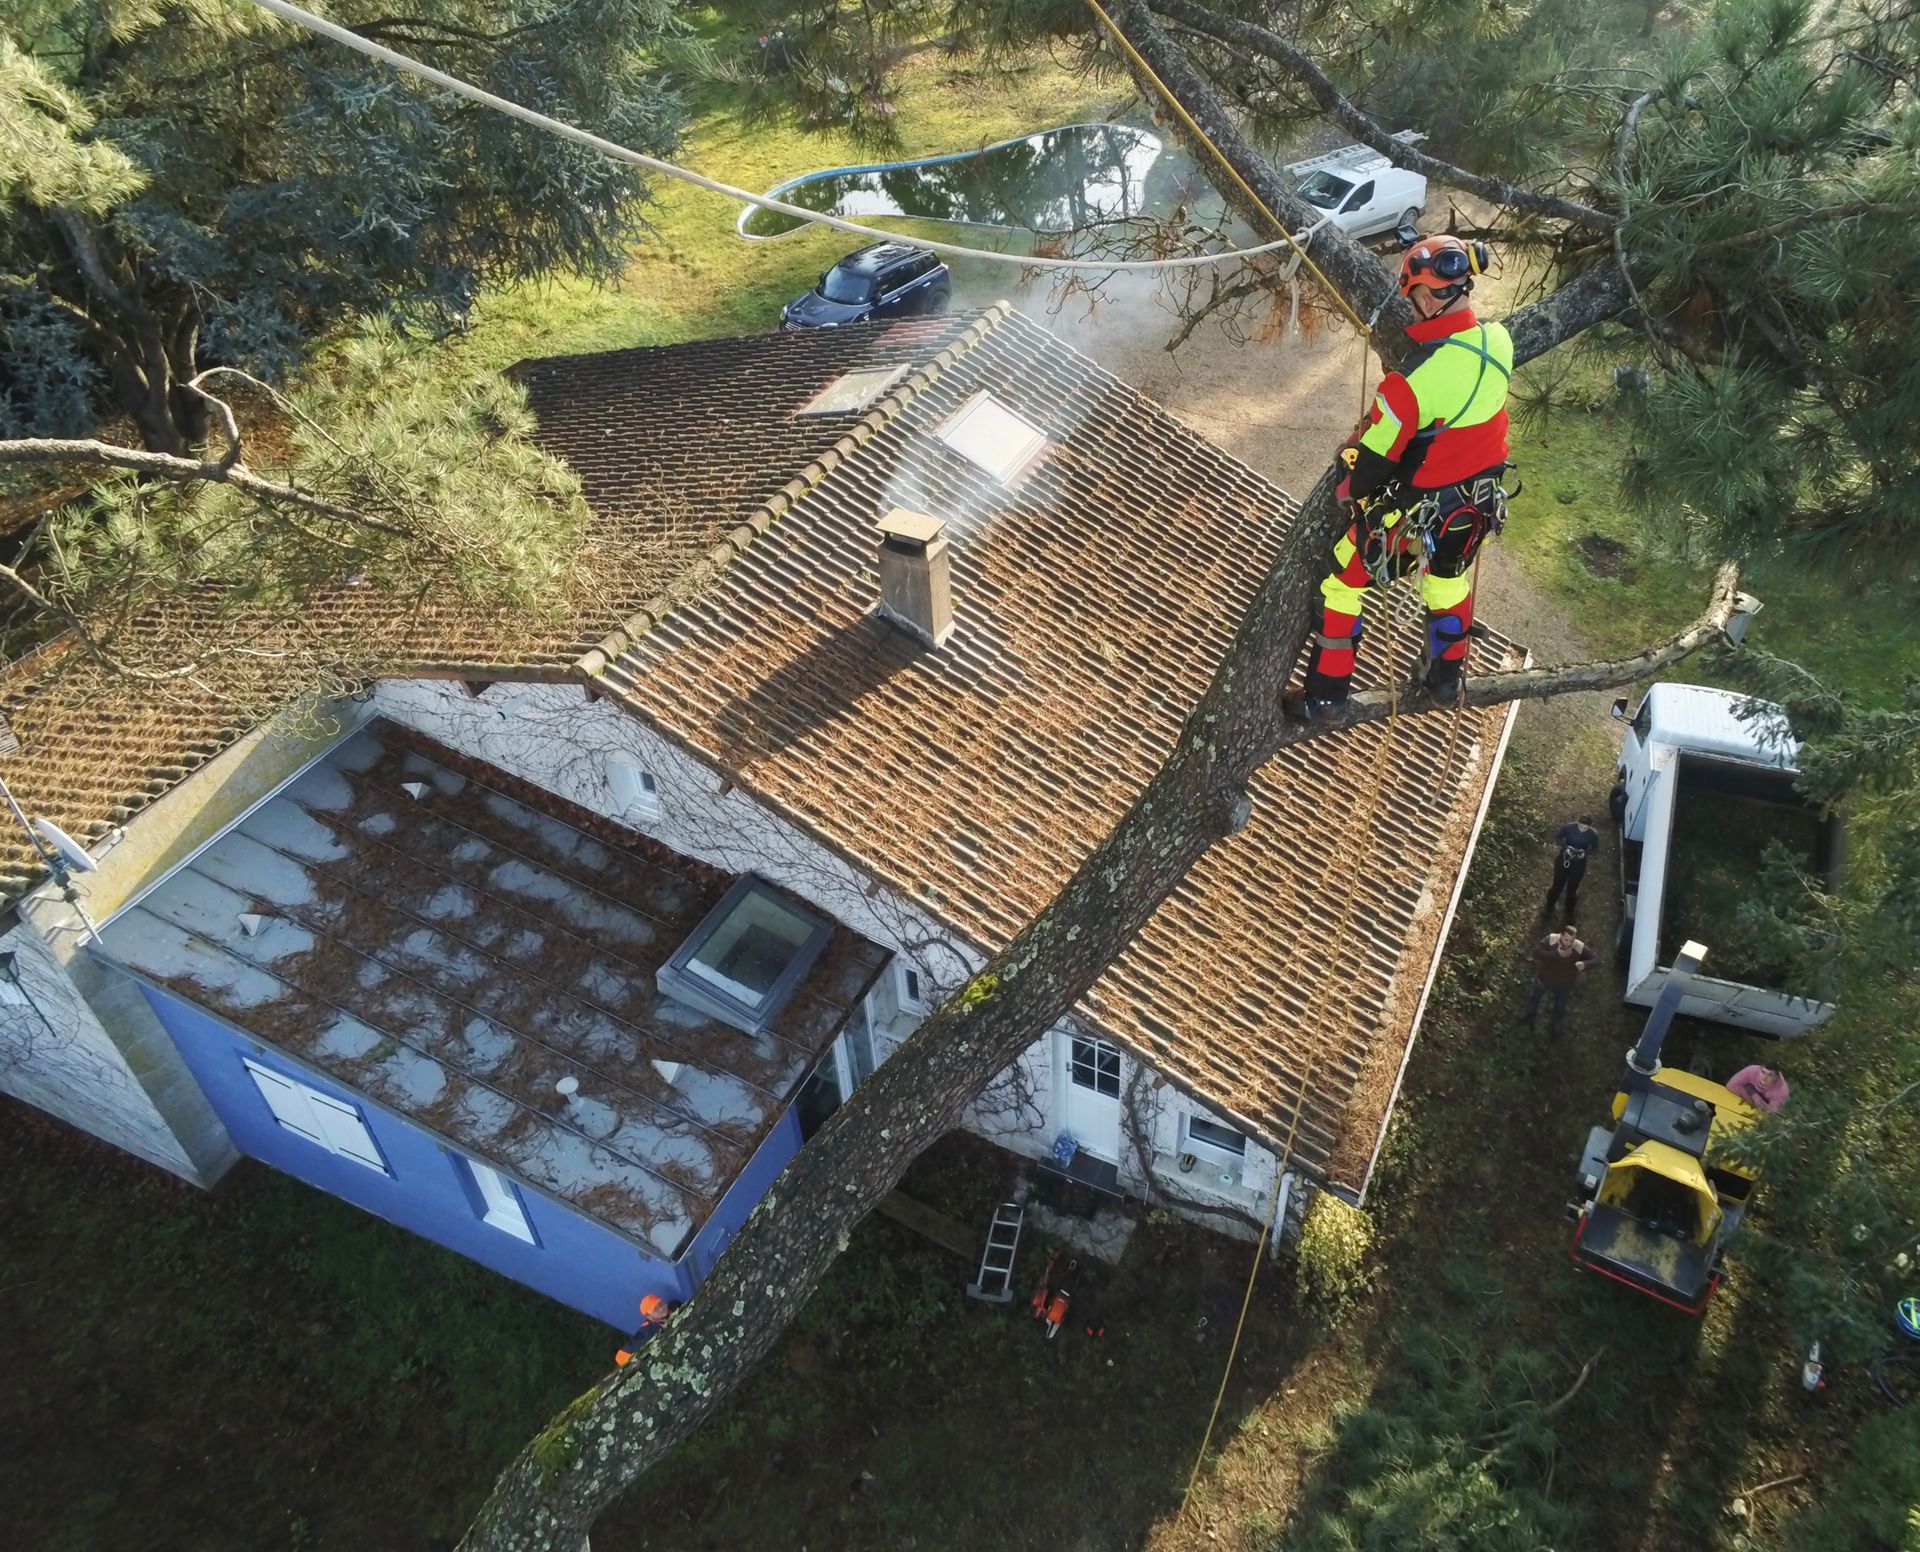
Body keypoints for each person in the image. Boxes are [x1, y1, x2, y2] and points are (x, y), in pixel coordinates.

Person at [1284, 235, 1514, 723]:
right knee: (1448, 580)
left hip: (1416, 516)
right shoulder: (1500, 342)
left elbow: (1371, 463)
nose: (1412, 310)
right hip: (1474, 508)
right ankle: (1446, 683)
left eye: (1414, 300)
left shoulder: (1408, 385)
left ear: (1428, 296)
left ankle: (1326, 699)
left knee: (1342, 583)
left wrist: (1350, 476)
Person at [1520, 925, 1599, 1035]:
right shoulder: (1551, 939)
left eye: (1572, 941)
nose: (1569, 943)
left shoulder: (1579, 947)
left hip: (1564, 984)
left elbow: (1596, 960)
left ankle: (1556, 1025)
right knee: (1535, 997)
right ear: (1561, 935)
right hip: (1544, 978)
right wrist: (1556, 955)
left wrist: (1585, 964)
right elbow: (1537, 952)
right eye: (1566, 939)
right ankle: (1529, 1013)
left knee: (1560, 1007)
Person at [1542, 815, 1602, 917]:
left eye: (1586, 827)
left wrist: (1585, 852)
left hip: (1579, 863)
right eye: (1581, 825)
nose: (1583, 828)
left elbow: (1595, 850)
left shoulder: (1593, 835)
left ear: (1590, 826)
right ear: (1577, 822)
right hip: (1564, 859)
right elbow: (1557, 838)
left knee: (1572, 888)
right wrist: (1566, 847)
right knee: (1557, 885)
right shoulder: (1568, 827)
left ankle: (1568, 912)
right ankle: (1549, 908)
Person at [613, 1293, 677, 1367]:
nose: (661, 1309)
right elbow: (620, 1358)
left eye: (661, 1303)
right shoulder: (647, 1332)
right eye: (655, 1309)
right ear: (649, 1316)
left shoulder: (674, 1305)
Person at [1726, 1063, 1791, 1113]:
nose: (1764, 1078)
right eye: (1763, 1072)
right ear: (1760, 1069)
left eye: (1770, 1075)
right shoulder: (1751, 1071)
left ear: (1776, 1078)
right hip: (1748, 1101)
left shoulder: (1781, 1091)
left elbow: (1772, 1115)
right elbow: (1731, 1085)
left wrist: (1762, 1106)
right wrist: (1754, 1098)